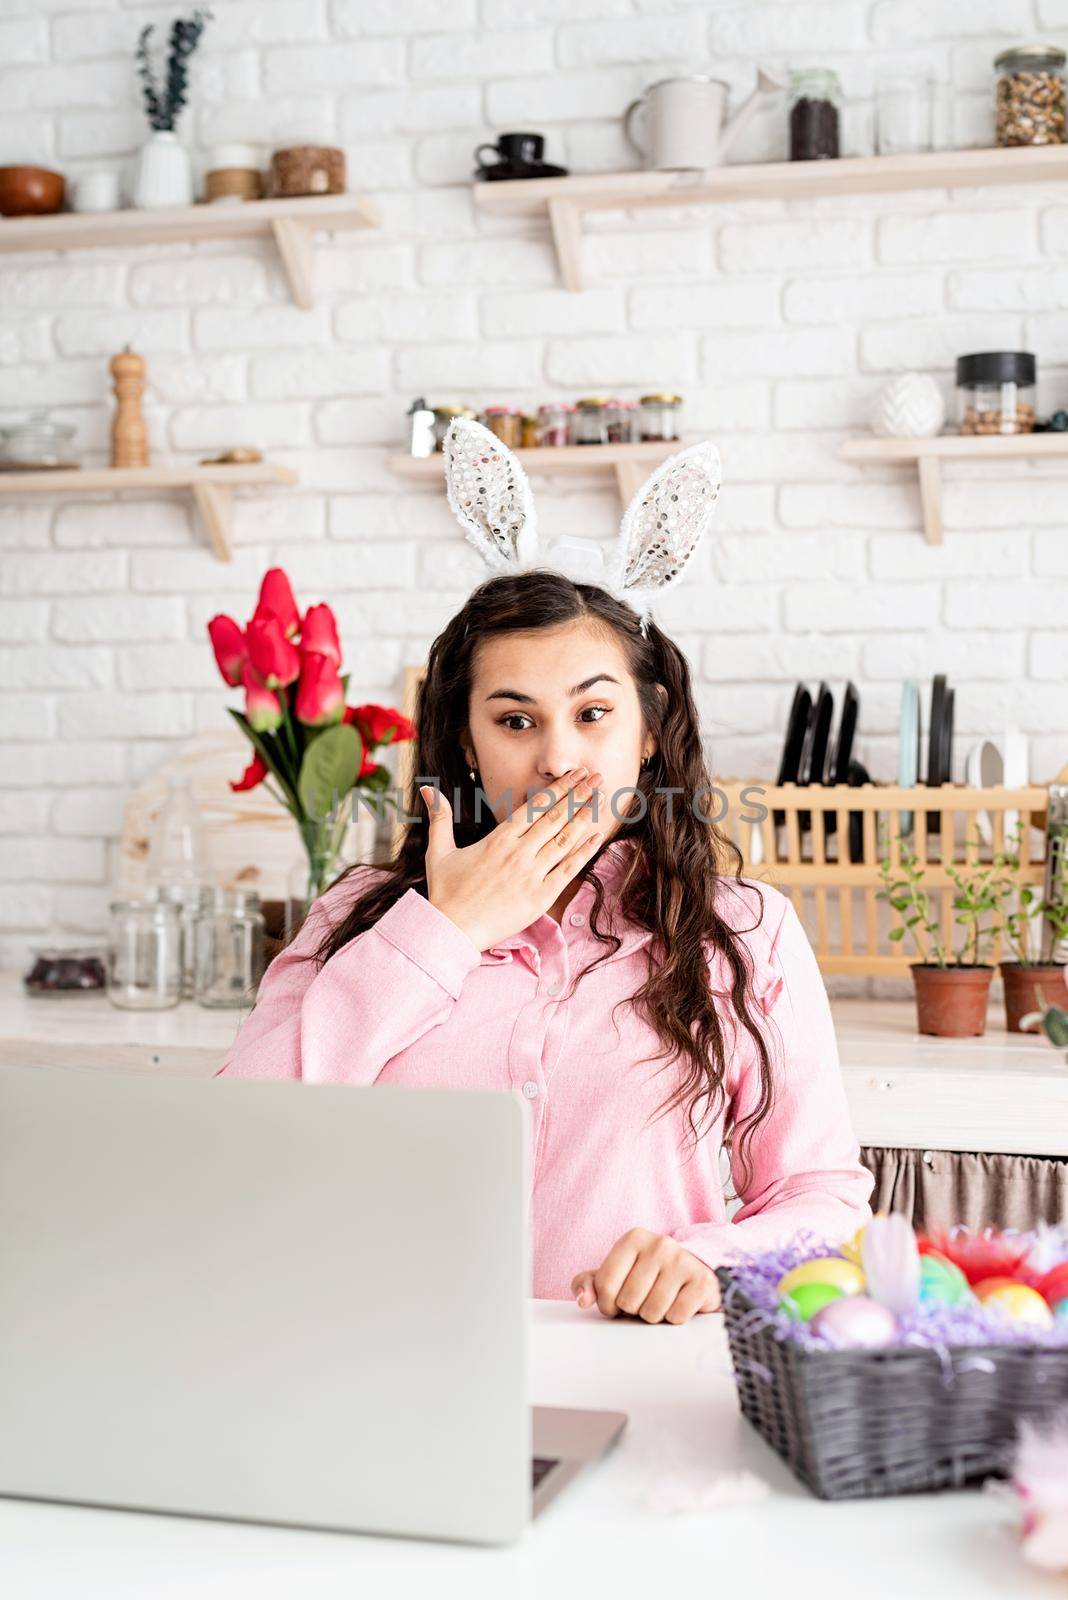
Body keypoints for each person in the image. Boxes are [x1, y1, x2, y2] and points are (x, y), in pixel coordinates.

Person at [216, 422, 874, 1325]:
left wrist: (704, 1261)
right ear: (465, 742)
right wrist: (442, 932)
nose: (559, 757)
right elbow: (229, 1144)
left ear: (648, 737)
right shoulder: (356, 919)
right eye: (516, 720)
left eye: (593, 714)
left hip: (629, 1374)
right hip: (378, 1367)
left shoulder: (744, 931)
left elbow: (824, 1202)